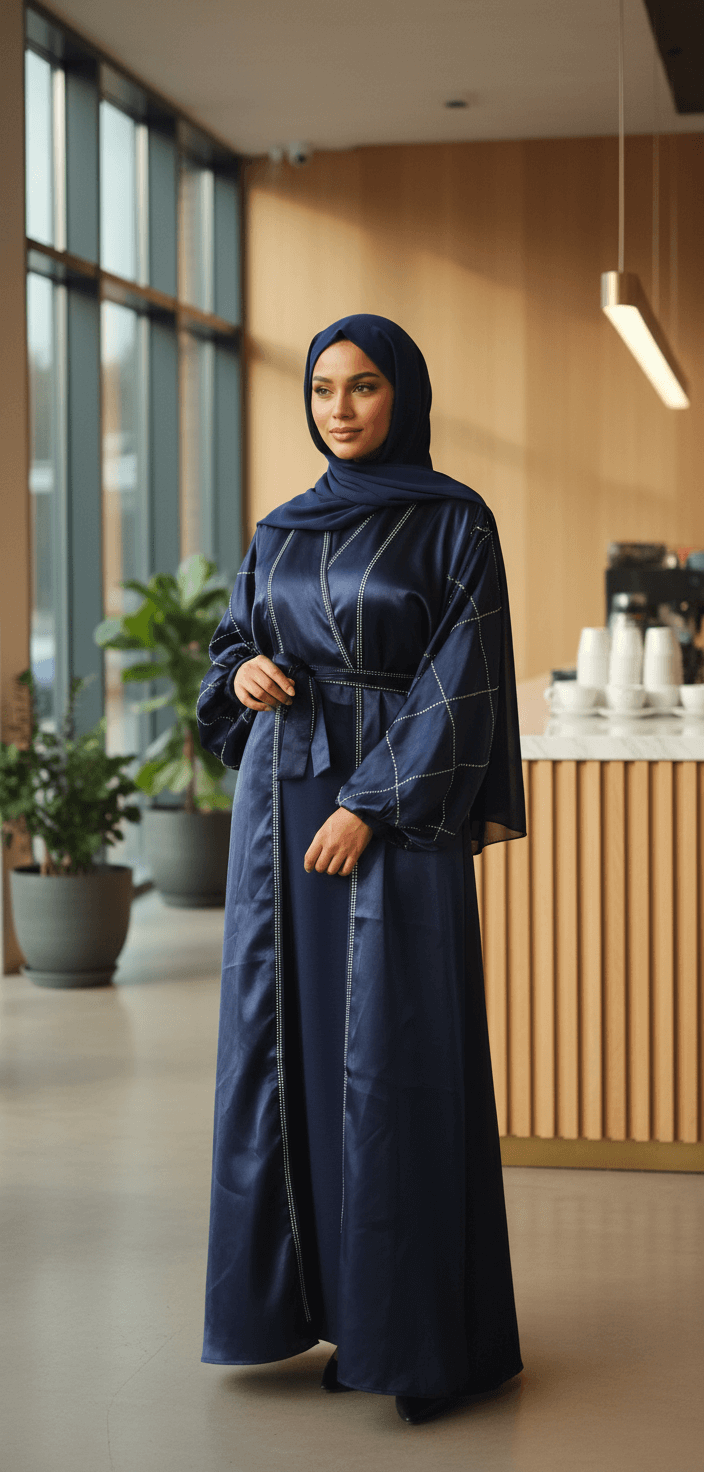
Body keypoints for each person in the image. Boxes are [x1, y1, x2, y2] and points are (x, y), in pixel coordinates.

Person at [197, 313, 526, 1426]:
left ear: (405, 395)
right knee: (289, 1052)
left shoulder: (454, 522)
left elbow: (465, 678)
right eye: (322, 388)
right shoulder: (279, 528)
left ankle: (416, 1337)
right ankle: (321, 1305)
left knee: (398, 1057)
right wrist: (244, 670)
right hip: (279, 819)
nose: (339, 408)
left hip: (394, 817)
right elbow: (232, 644)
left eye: (364, 386)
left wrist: (369, 804)